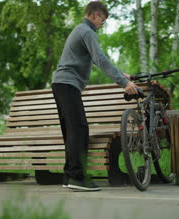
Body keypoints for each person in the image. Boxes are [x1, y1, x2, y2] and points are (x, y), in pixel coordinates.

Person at [51, 1, 138, 191]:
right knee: (79, 129)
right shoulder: (87, 31)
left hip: (61, 84)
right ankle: (77, 177)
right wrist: (124, 83)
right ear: (95, 15)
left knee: (72, 131)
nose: (102, 25)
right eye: (102, 21)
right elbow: (100, 59)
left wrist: (119, 73)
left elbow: (98, 61)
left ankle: (69, 176)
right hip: (67, 84)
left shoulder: (80, 30)